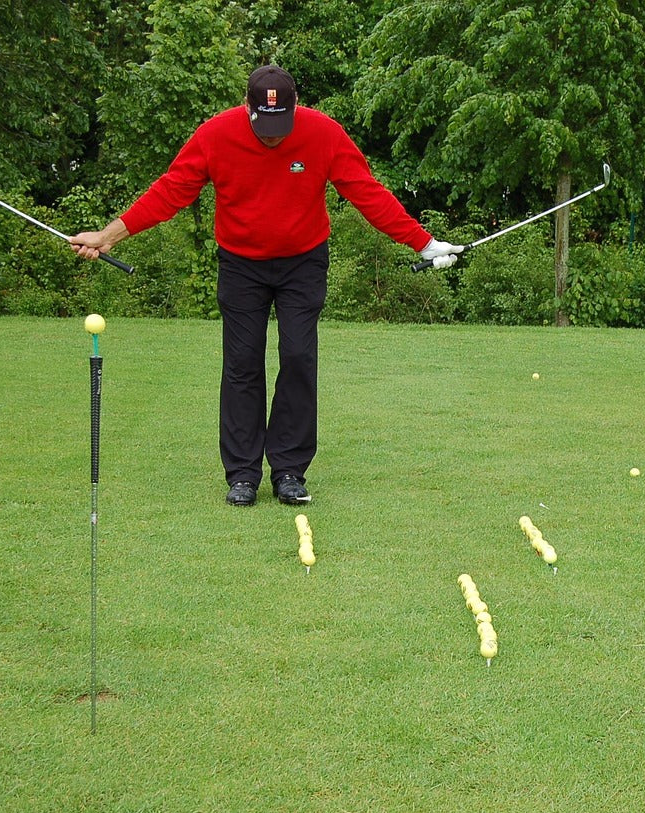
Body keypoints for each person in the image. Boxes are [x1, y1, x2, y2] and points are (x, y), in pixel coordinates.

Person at [71, 65, 462, 507]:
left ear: (296, 107)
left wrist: (423, 243)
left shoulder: (323, 133)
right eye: (264, 126)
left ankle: (290, 469)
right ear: (246, 107)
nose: (273, 137)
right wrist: (108, 237)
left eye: (281, 125)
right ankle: (242, 474)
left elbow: (366, 193)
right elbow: (170, 192)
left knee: (298, 356)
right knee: (242, 363)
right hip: (241, 264)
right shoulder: (216, 135)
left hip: (303, 262)